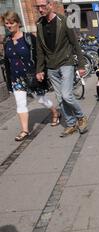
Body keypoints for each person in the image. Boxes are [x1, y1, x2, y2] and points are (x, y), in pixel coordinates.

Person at [2, 10, 58, 142]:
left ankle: (55, 112)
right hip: (17, 79)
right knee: (20, 104)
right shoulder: (6, 41)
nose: (9, 26)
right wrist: (9, 82)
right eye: (6, 24)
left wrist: (40, 71)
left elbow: (39, 55)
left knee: (40, 99)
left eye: (11, 23)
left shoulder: (29, 38)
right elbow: (7, 63)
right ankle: (24, 130)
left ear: (18, 23)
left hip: (31, 76)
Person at [35, 0, 88, 137]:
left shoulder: (64, 21)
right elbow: (40, 50)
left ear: (50, 5)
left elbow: (75, 43)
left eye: (42, 6)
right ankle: (71, 124)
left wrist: (81, 65)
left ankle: (81, 117)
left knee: (66, 95)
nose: (40, 9)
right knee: (60, 98)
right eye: (38, 7)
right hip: (51, 67)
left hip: (66, 63)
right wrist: (39, 69)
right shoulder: (39, 24)